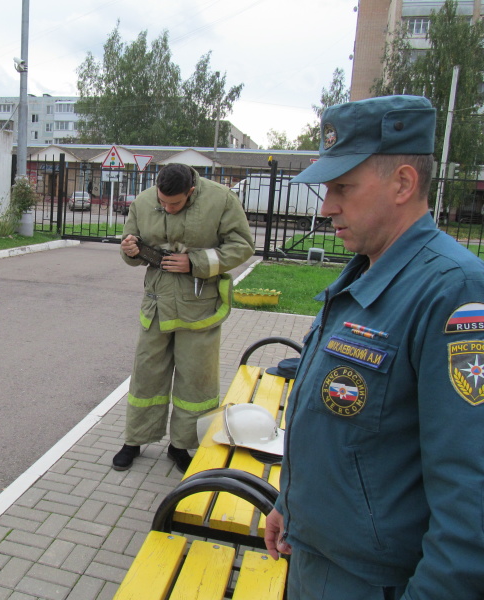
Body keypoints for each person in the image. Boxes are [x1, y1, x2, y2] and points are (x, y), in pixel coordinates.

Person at [264, 95, 484, 599]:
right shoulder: (371, 269)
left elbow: (471, 501)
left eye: (343, 187)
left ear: (403, 183)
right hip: (314, 558)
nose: (327, 207)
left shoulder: (454, 292)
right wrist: (289, 503)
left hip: (375, 583)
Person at [113, 163, 254, 473]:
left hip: (198, 308)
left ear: (192, 191)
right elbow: (129, 249)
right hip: (157, 305)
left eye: (174, 204)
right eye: (162, 202)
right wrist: (130, 250)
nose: (166, 208)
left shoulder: (221, 200)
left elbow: (242, 246)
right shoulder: (144, 201)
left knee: (196, 381)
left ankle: (181, 446)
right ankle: (134, 440)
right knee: (147, 374)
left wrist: (196, 262)